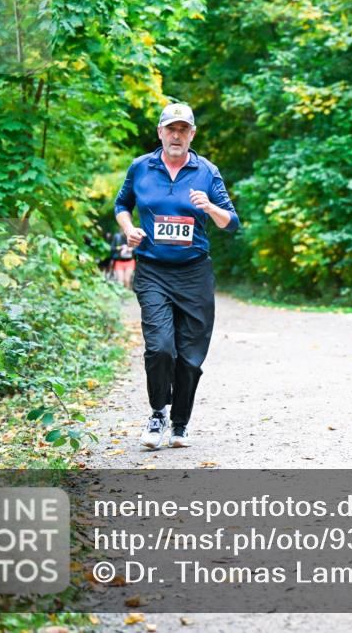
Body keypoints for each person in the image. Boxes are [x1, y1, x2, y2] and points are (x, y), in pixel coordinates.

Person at [114, 103, 240, 449]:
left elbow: (232, 223)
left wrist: (209, 207)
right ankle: (158, 413)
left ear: (192, 135)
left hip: (195, 274)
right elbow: (121, 205)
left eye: (183, 129)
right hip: (153, 270)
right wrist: (129, 229)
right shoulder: (141, 167)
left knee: (190, 357)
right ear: (160, 132)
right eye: (171, 128)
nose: (176, 135)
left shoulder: (206, 172)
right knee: (160, 348)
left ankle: (180, 424)